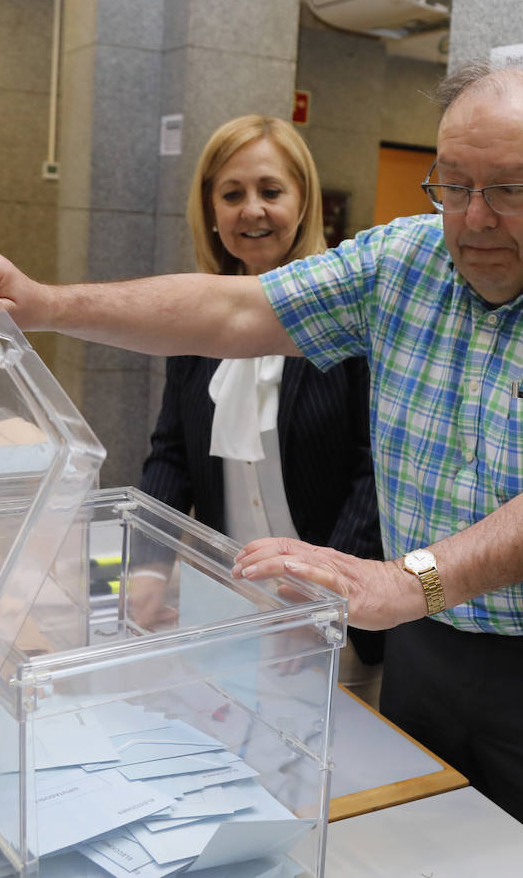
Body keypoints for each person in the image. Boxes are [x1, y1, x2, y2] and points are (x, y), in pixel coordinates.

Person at [0, 63, 523, 878]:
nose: (474, 219)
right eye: (453, 185)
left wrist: (409, 581)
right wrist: (44, 304)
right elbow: (234, 309)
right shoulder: (403, 260)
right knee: (415, 853)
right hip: (430, 655)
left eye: (509, 189)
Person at [139, 115, 385, 701]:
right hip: (231, 604)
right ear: (211, 210)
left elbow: (374, 471)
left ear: (304, 202)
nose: (252, 210)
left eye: (271, 191)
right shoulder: (200, 318)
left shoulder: (350, 317)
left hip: (336, 616)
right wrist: (147, 567)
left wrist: (326, 594)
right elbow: (170, 454)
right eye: (232, 194)